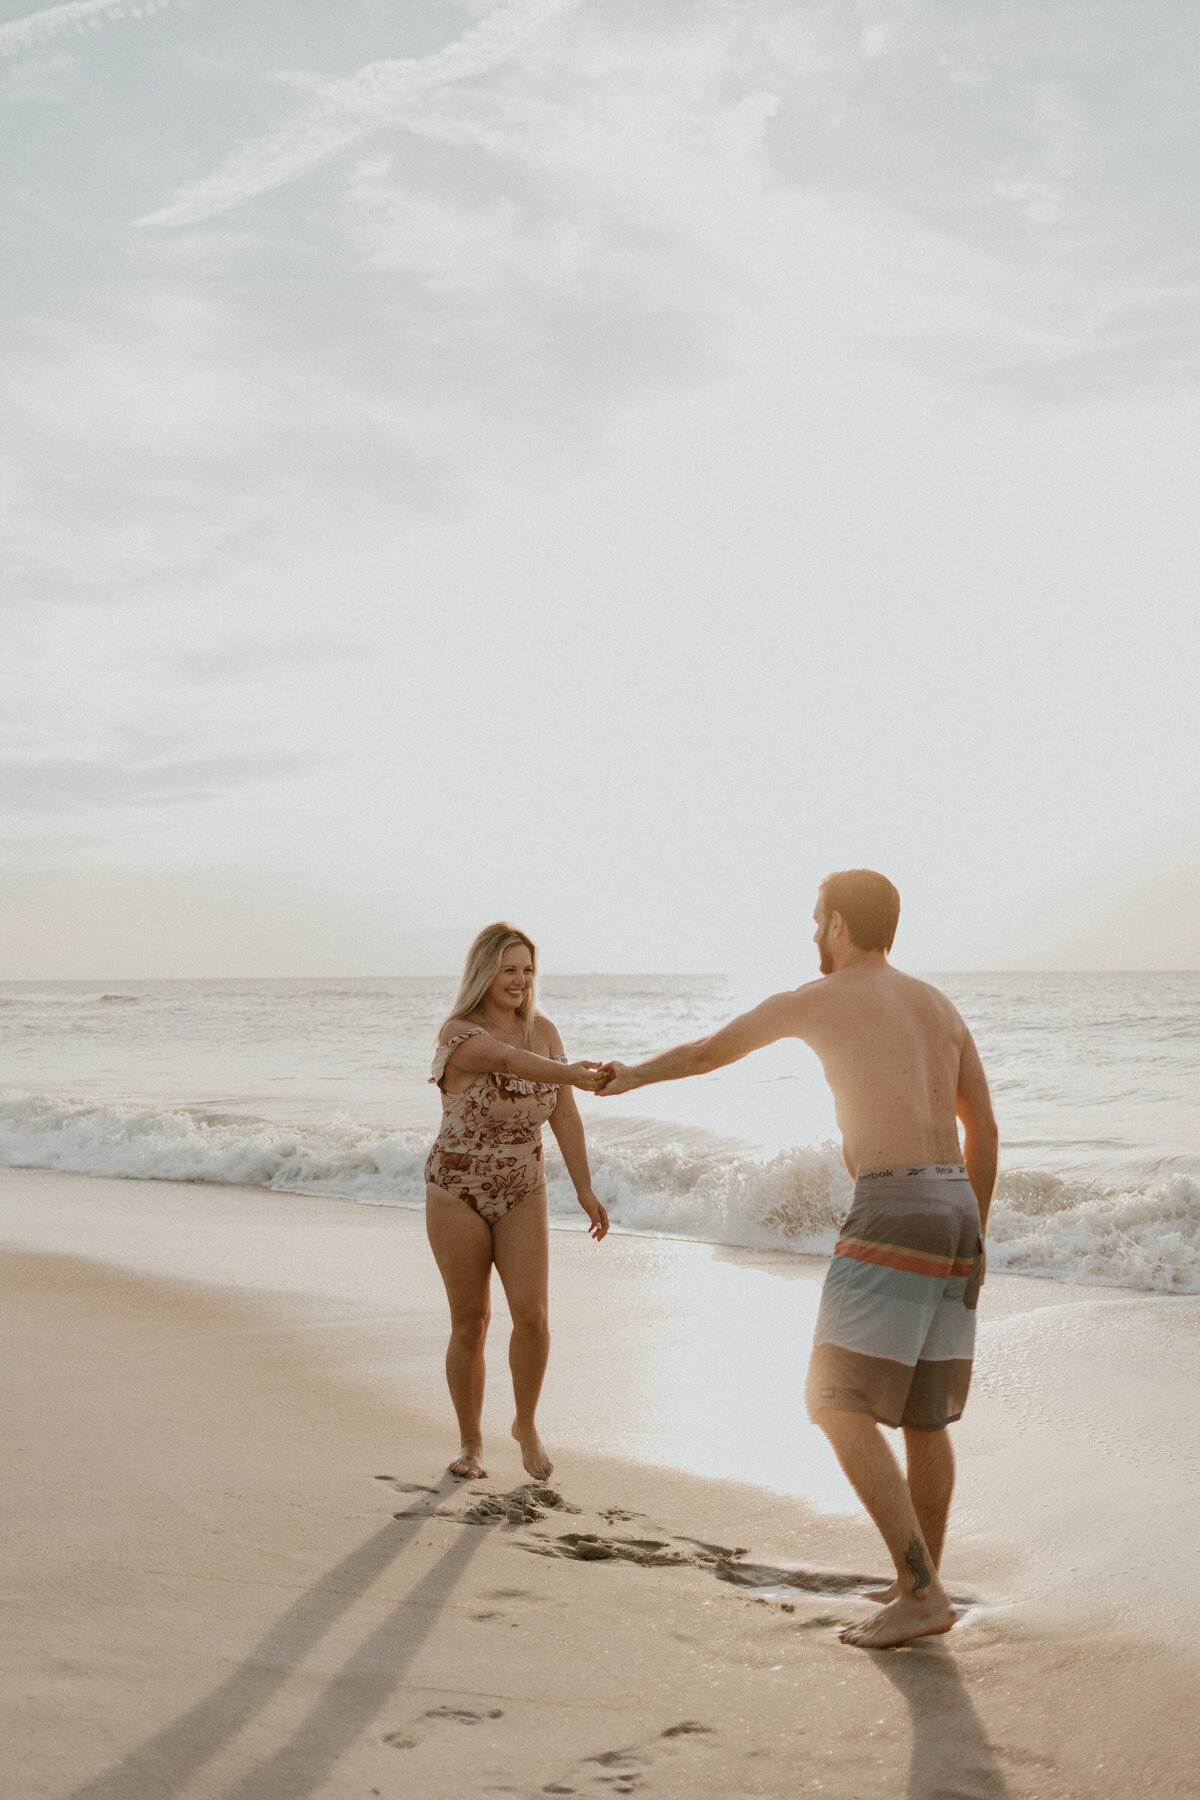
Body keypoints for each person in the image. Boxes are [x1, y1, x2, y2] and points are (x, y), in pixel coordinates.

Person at [597, 870, 998, 1650]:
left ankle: (920, 1589)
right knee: (921, 1411)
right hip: (955, 1205)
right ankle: (922, 1578)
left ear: (840, 925)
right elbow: (982, 1122)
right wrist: (976, 1230)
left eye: (817, 921)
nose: (814, 934)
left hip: (892, 1204)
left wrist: (634, 1074)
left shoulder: (820, 999)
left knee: (833, 1397)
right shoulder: (938, 1006)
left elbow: (714, 1050)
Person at [426, 922, 609, 1484]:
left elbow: (564, 1113)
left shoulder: (546, 1031)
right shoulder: (460, 1033)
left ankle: (525, 1424)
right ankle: (471, 1444)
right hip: (457, 1189)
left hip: (523, 1188)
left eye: (528, 970)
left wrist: (583, 1187)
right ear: (485, 972)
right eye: (510, 969)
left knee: (532, 1315)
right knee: (471, 1322)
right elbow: (505, 1063)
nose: (520, 980)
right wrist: (572, 1073)